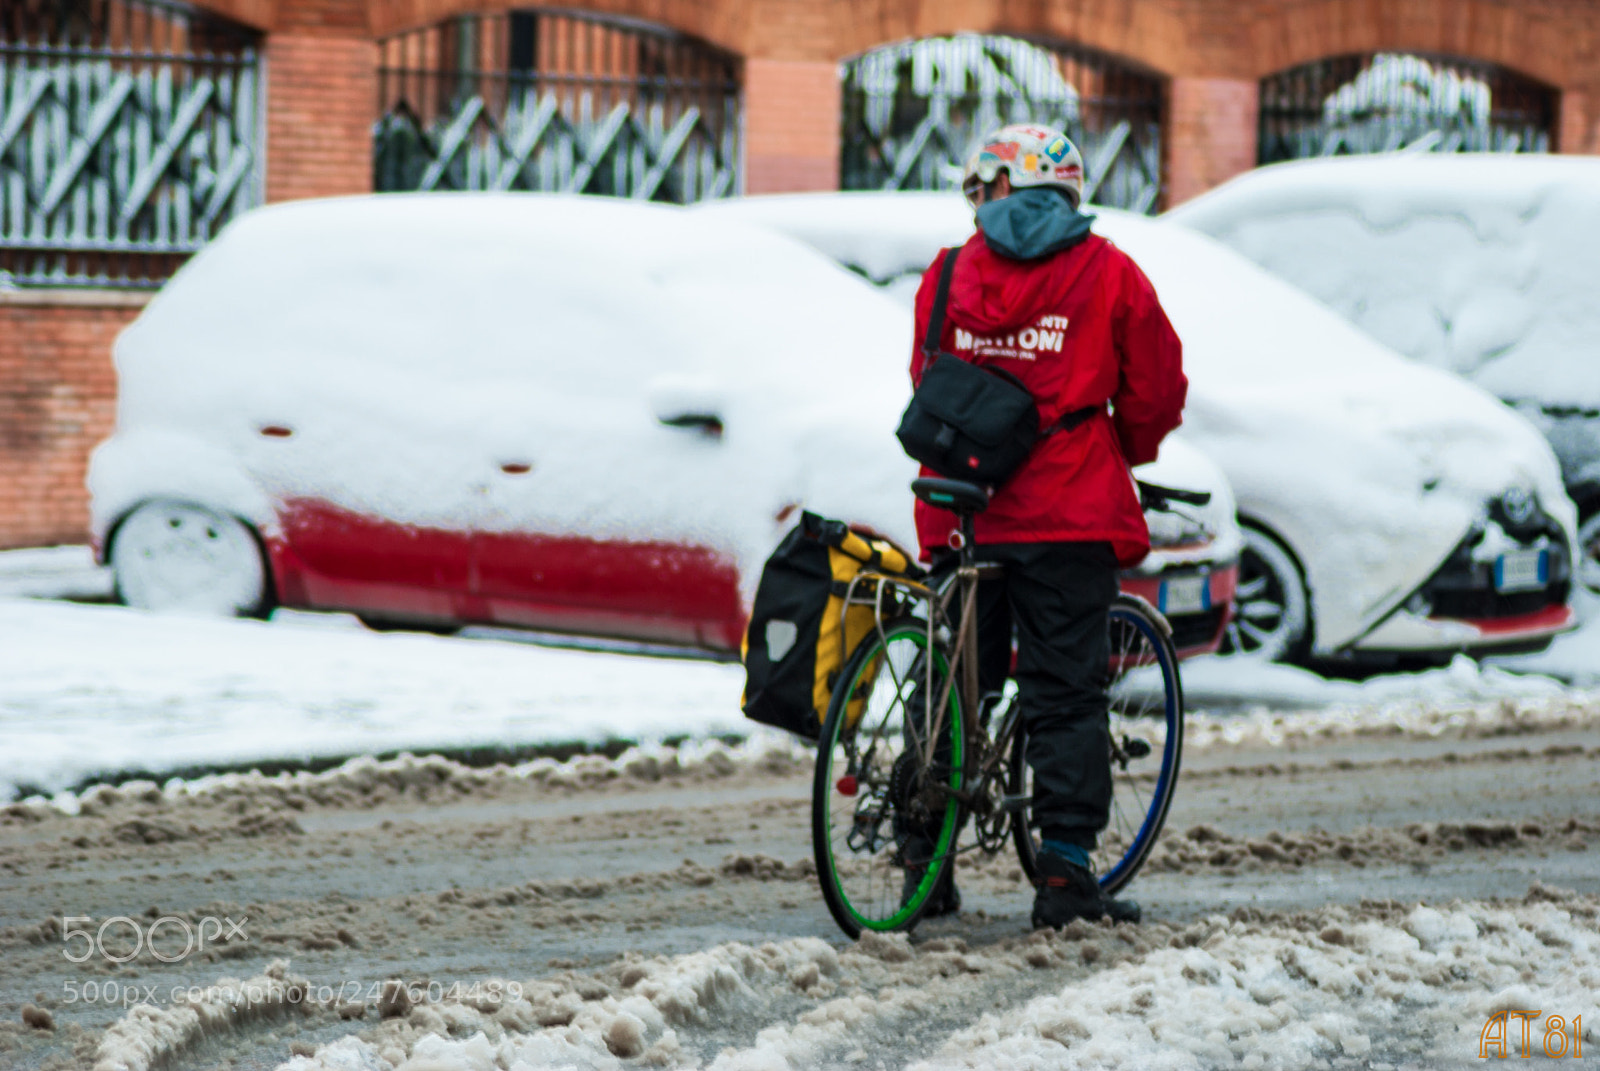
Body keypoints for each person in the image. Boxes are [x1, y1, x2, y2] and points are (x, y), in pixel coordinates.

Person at [905, 124, 1187, 929]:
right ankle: (1064, 872)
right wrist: (1116, 448)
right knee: (1066, 694)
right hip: (1066, 510)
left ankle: (924, 859)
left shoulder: (950, 272)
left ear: (1002, 187)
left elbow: (929, 379)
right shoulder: (1110, 273)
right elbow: (1157, 388)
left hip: (964, 503)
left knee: (953, 684)